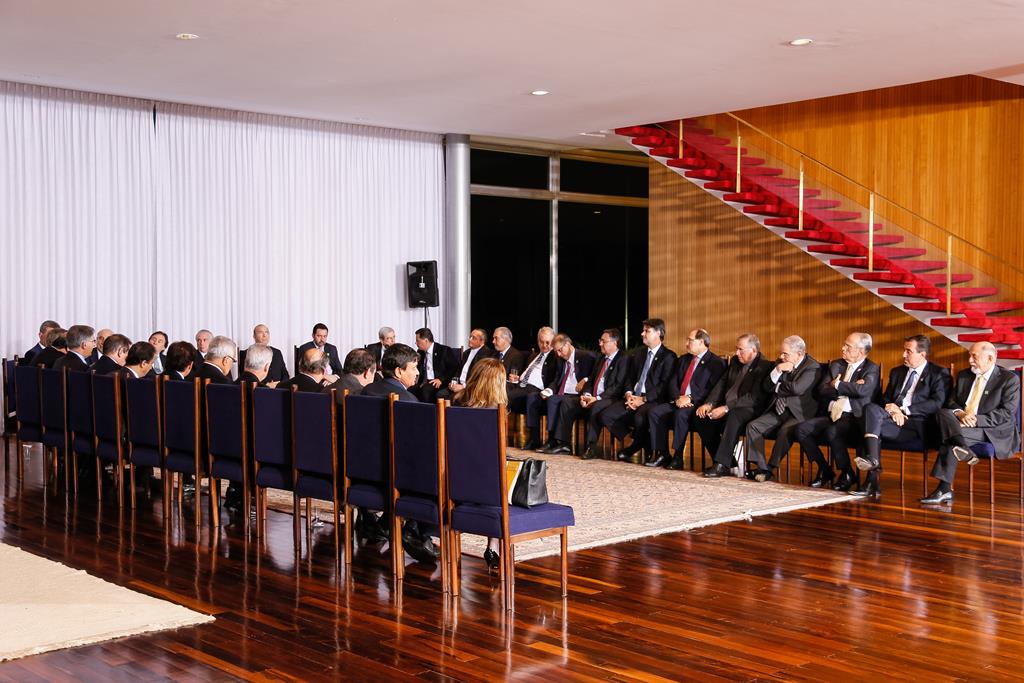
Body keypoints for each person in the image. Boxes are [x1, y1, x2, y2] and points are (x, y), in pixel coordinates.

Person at [922, 342, 1021, 505]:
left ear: (990, 358)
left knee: (950, 439)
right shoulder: (964, 375)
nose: (969, 360)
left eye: (974, 356)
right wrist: (960, 414)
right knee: (942, 413)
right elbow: (951, 401)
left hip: (992, 429)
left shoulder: (1008, 379)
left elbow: (1006, 413)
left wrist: (975, 421)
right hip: (960, 423)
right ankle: (963, 447)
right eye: (969, 355)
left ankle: (944, 489)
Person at [857, 335, 950, 498]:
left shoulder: (938, 373)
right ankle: (873, 464)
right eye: (904, 350)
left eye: (908, 351)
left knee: (870, 426)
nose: (904, 355)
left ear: (922, 354)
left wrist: (903, 409)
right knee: (870, 409)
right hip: (893, 419)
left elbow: (937, 403)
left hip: (917, 424)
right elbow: (885, 399)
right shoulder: (897, 371)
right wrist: (893, 410)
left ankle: (872, 478)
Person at [794, 332, 881, 492]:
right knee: (801, 429)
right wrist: (850, 387)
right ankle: (826, 469)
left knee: (833, 432)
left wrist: (838, 384)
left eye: (848, 346)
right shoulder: (836, 365)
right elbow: (822, 390)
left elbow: (864, 390)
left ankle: (845, 473)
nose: (843, 348)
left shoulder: (871, 368)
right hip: (831, 413)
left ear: (861, 352)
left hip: (854, 417)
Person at [453, 357, 509, 572]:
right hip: (484, 485)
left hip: (456, 476)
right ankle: (493, 544)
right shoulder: (495, 411)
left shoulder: (456, 401)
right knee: (502, 472)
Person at [645, 328, 727, 469]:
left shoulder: (716, 363)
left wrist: (690, 398)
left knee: (680, 415)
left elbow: (712, 389)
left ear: (701, 342)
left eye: (690, 340)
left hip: (697, 403)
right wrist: (678, 398)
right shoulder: (683, 359)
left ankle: (678, 456)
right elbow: (672, 382)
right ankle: (662, 453)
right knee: (654, 412)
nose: (686, 343)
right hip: (678, 400)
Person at [744, 335, 820, 482]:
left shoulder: (812, 367)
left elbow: (797, 389)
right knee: (753, 426)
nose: (781, 356)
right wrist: (778, 370)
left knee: (785, 431)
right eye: (781, 353)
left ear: (799, 354)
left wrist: (777, 386)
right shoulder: (780, 363)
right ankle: (762, 467)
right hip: (779, 410)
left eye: (785, 354)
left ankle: (771, 467)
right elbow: (766, 386)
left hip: (799, 413)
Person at [602, 318, 678, 464]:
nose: (642, 334)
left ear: (659, 334)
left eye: (647, 331)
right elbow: (630, 378)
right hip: (634, 397)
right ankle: (641, 442)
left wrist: (643, 400)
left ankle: (641, 447)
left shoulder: (669, 356)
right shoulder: (638, 354)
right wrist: (629, 393)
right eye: (643, 330)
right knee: (607, 415)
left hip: (654, 400)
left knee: (640, 417)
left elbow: (664, 385)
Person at [700, 333, 774, 478]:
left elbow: (753, 398)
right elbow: (722, 383)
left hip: (749, 409)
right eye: (736, 349)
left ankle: (721, 464)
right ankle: (727, 461)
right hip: (727, 405)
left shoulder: (764, 366)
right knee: (701, 418)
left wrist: (726, 408)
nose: (737, 353)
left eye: (741, 350)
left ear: (753, 351)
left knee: (733, 416)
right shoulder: (735, 361)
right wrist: (710, 403)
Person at [553, 328, 630, 459]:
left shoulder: (624, 359)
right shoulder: (601, 358)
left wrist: (597, 398)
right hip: (593, 397)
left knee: (596, 406)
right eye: (600, 341)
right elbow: (591, 380)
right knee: (567, 403)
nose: (600, 344)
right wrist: (587, 395)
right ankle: (563, 443)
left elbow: (617, 387)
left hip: (610, 398)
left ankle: (591, 446)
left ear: (614, 343)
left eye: (603, 341)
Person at [529, 334, 595, 453]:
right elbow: (557, 379)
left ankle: (561, 442)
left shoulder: (586, 357)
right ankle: (544, 440)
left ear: (568, 345)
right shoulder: (560, 359)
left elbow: (596, 375)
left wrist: (585, 380)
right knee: (539, 397)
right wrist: (549, 390)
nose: (558, 354)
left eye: (560, 350)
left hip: (577, 395)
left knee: (557, 401)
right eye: (556, 351)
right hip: (562, 393)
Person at [507, 327, 559, 415]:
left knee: (507, 395)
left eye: (547, 342)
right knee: (498, 388)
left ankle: (499, 423)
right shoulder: (534, 356)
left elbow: (556, 377)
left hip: (535, 388)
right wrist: (518, 378)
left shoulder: (555, 357)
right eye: (541, 342)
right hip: (520, 384)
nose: (544, 345)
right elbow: (528, 373)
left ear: (553, 342)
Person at [439, 328, 496, 399]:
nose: (470, 339)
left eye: (474, 338)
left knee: (452, 397)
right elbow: (459, 370)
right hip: (459, 384)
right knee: (440, 394)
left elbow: (481, 378)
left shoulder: (487, 355)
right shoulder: (466, 352)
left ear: (482, 341)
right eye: (470, 337)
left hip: (472, 388)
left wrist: (463, 387)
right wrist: (454, 382)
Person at [412, 327, 455, 403]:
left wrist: (441, 379)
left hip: (438, 381)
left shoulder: (444, 350)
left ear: (426, 340)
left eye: (417, 341)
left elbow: (453, 368)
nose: (416, 343)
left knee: (425, 391)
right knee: (410, 389)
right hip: (424, 381)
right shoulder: (420, 352)